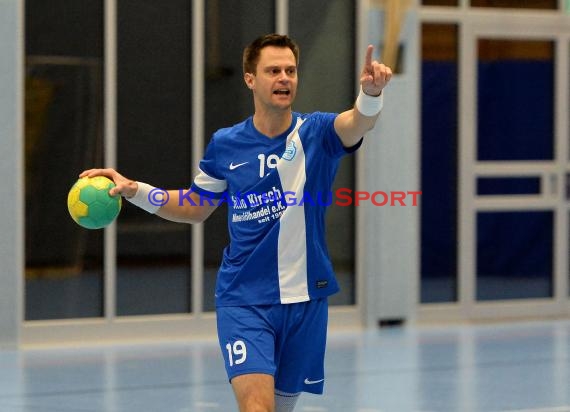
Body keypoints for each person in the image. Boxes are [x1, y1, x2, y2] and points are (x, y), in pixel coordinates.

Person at [81, 33, 391, 412]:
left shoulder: (318, 133)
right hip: (244, 298)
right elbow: (195, 205)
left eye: (290, 71)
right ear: (249, 79)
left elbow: (358, 123)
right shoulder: (226, 144)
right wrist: (136, 190)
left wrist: (371, 95)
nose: (284, 78)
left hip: (305, 298)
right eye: (273, 70)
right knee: (257, 407)